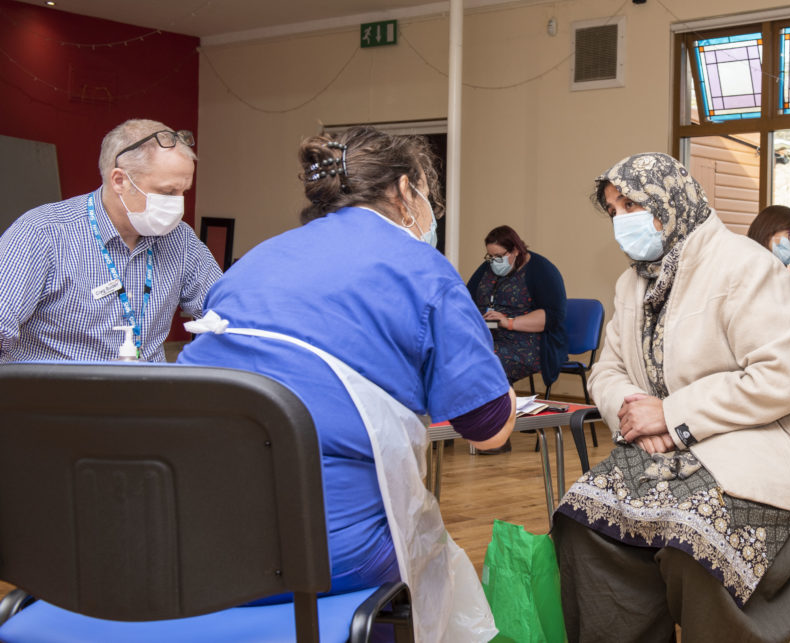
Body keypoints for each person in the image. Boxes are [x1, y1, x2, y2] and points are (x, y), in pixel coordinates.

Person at [178, 126, 514, 641]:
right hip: (324, 553)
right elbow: (487, 429)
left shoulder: (253, 263)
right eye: (427, 194)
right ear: (407, 191)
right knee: (433, 564)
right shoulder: (424, 270)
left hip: (188, 536)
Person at [552, 153, 790, 643]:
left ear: (670, 200)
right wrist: (636, 413)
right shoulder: (632, 281)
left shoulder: (746, 266)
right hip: (674, 445)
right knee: (581, 521)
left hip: (768, 449)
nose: (621, 219)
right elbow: (607, 369)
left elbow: (781, 380)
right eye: (613, 209)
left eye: (631, 203)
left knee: (693, 542)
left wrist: (670, 416)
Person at [0, 119, 221, 362]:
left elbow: (224, 309)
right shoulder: (42, 234)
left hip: (147, 394)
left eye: (184, 192)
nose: (179, 203)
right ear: (120, 181)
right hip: (56, 396)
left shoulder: (180, 239)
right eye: (168, 192)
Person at [466, 225, 567, 387]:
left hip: (525, 343)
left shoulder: (541, 269)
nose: (494, 261)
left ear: (515, 250)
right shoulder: (487, 268)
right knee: (454, 357)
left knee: (483, 364)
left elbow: (553, 316)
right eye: (490, 256)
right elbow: (466, 300)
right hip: (487, 338)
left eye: (499, 256)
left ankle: (500, 409)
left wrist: (509, 322)